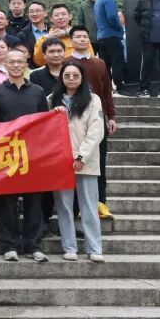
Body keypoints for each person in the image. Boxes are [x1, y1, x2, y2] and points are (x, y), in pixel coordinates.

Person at [0, 48, 50, 262]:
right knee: (7, 202)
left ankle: (33, 245)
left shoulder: (38, 91)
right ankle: (10, 245)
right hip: (7, 154)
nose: (16, 65)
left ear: (26, 65)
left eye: (20, 62)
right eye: (11, 62)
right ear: (4, 65)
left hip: (33, 155)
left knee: (34, 202)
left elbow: (44, 123)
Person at [49, 61, 105, 262]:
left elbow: (96, 130)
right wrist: (52, 114)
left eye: (75, 75)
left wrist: (82, 156)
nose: (71, 78)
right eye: (67, 75)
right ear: (61, 78)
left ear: (82, 78)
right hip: (61, 162)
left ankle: (94, 248)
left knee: (89, 206)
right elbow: (45, 130)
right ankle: (69, 247)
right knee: (64, 207)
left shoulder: (93, 99)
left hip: (86, 162)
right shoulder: (51, 100)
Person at [66, 26, 117, 220]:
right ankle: (76, 206)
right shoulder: (67, 63)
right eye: (77, 36)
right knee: (74, 164)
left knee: (99, 162)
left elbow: (106, 91)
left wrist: (111, 115)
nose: (82, 39)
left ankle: (100, 203)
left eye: (85, 36)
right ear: (71, 41)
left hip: (97, 118)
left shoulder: (100, 63)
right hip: (74, 121)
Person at [94, 0, 126, 92]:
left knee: (105, 65)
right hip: (112, 36)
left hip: (101, 36)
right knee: (117, 63)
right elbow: (112, 16)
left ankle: (108, 88)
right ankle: (121, 87)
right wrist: (119, 27)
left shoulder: (98, 0)